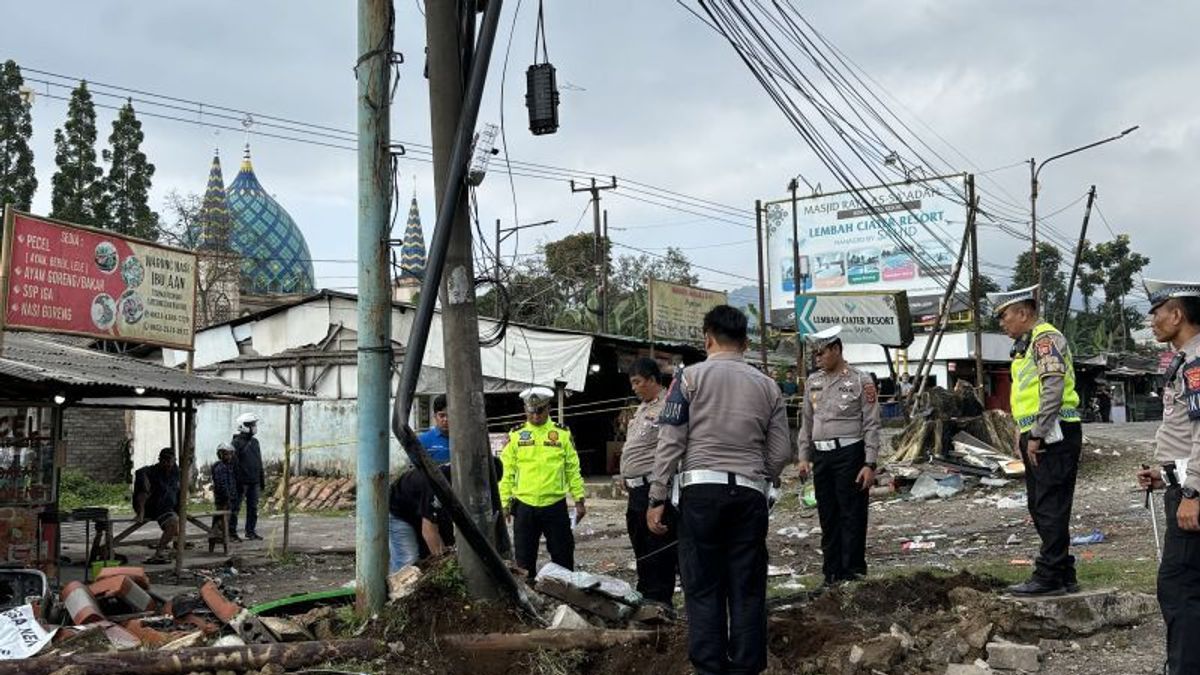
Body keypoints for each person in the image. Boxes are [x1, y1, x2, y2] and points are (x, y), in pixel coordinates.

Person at [648, 305, 792, 675]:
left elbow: (670, 441)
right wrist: (762, 478)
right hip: (748, 494)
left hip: (700, 496)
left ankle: (710, 669)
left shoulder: (687, 379)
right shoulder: (769, 385)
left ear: (707, 338)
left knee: (702, 586)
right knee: (746, 586)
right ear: (745, 342)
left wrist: (658, 495)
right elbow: (780, 453)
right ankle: (746, 668)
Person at [987, 284, 1083, 595]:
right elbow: (1025, 395)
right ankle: (1063, 570)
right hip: (1040, 431)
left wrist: (1037, 433)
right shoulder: (1027, 344)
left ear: (1024, 313)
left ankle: (1050, 575)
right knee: (1040, 502)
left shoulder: (1045, 340)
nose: (1002, 323)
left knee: (1049, 504)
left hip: (1054, 432)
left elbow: (1052, 389)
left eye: (1005, 316)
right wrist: (1022, 433)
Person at [1135, 278, 1200, 675]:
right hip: (1185, 484)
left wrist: (1192, 491)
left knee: (1178, 587)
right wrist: (1166, 475)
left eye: (1156, 313)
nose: (1152, 321)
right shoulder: (1186, 360)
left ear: (1176, 315)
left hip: (1194, 496)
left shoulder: (1195, 364)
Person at [796, 325, 881, 585]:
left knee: (851, 514)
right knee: (828, 515)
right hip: (822, 457)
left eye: (821, 352)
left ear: (836, 349)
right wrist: (803, 457)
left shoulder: (860, 380)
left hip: (850, 454)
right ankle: (831, 573)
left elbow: (872, 423)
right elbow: (807, 422)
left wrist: (870, 463)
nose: (817, 358)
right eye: (814, 353)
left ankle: (852, 572)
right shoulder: (813, 381)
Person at [499, 386, 586, 581]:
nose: (535, 416)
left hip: (555, 505)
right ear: (525, 411)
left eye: (539, 411)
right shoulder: (516, 436)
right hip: (524, 506)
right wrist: (504, 503)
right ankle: (529, 599)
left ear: (549, 409)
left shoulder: (562, 434)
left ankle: (567, 598)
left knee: (563, 556)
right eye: (531, 411)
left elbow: (573, 469)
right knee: (523, 560)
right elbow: (506, 473)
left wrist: (579, 499)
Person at [620, 357, 677, 605]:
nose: (634, 388)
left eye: (638, 382)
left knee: (657, 549)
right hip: (636, 490)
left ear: (653, 380)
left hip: (653, 488)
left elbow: (670, 451)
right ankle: (645, 598)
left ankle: (660, 602)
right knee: (641, 547)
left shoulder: (668, 407)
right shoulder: (643, 407)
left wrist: (659, 495)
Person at [388, 464, 451, 573]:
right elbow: (429, 531)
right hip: (400, 512)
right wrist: (445, 569)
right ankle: (401, 588)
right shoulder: (437, 484)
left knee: (431, 553)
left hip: (421, 508)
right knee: (408, 564)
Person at [133, 447, 181, 565]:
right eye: (165, 462)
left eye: (170, 461)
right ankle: (141, 512)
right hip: (152, 505)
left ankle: (160, 551)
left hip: (167, 507)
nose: (168, 464)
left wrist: (179, 509)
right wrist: (145, 483)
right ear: (160, 461)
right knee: (143, 491)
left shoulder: (176, 472)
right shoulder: (153, 471)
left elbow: (178, 491)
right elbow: (139, 472)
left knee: (173, 524)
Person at [230, 412, 265, 541]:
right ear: (243, 426)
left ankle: (250, 531)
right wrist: (237, 481)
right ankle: (232, 533)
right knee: (235, 508)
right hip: (241, 482)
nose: (254, 427)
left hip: (254, 481)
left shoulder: (255, 442)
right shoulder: (236, 443)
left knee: (253, 508)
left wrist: (261, 479)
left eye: (254, 424)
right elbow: (233, 464)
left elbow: (259, 461)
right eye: (252, 425)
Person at [209, 443, 237, 552]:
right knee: (220, 521)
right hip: (223, 499)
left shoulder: (228, 466)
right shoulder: (219, 468)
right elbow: (222, 485)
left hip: (229, 497)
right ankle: (218, 541)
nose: (228, 457)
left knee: (223, 521)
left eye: (230, 454)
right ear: (220, 454)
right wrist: (227, 496)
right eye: (226, 454)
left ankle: (215, 542)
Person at [418, 394, 451, 464]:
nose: (446, 419)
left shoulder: (463, 440)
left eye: (450, 415)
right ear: (435, 416)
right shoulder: (423, 440)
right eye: (442, 415)